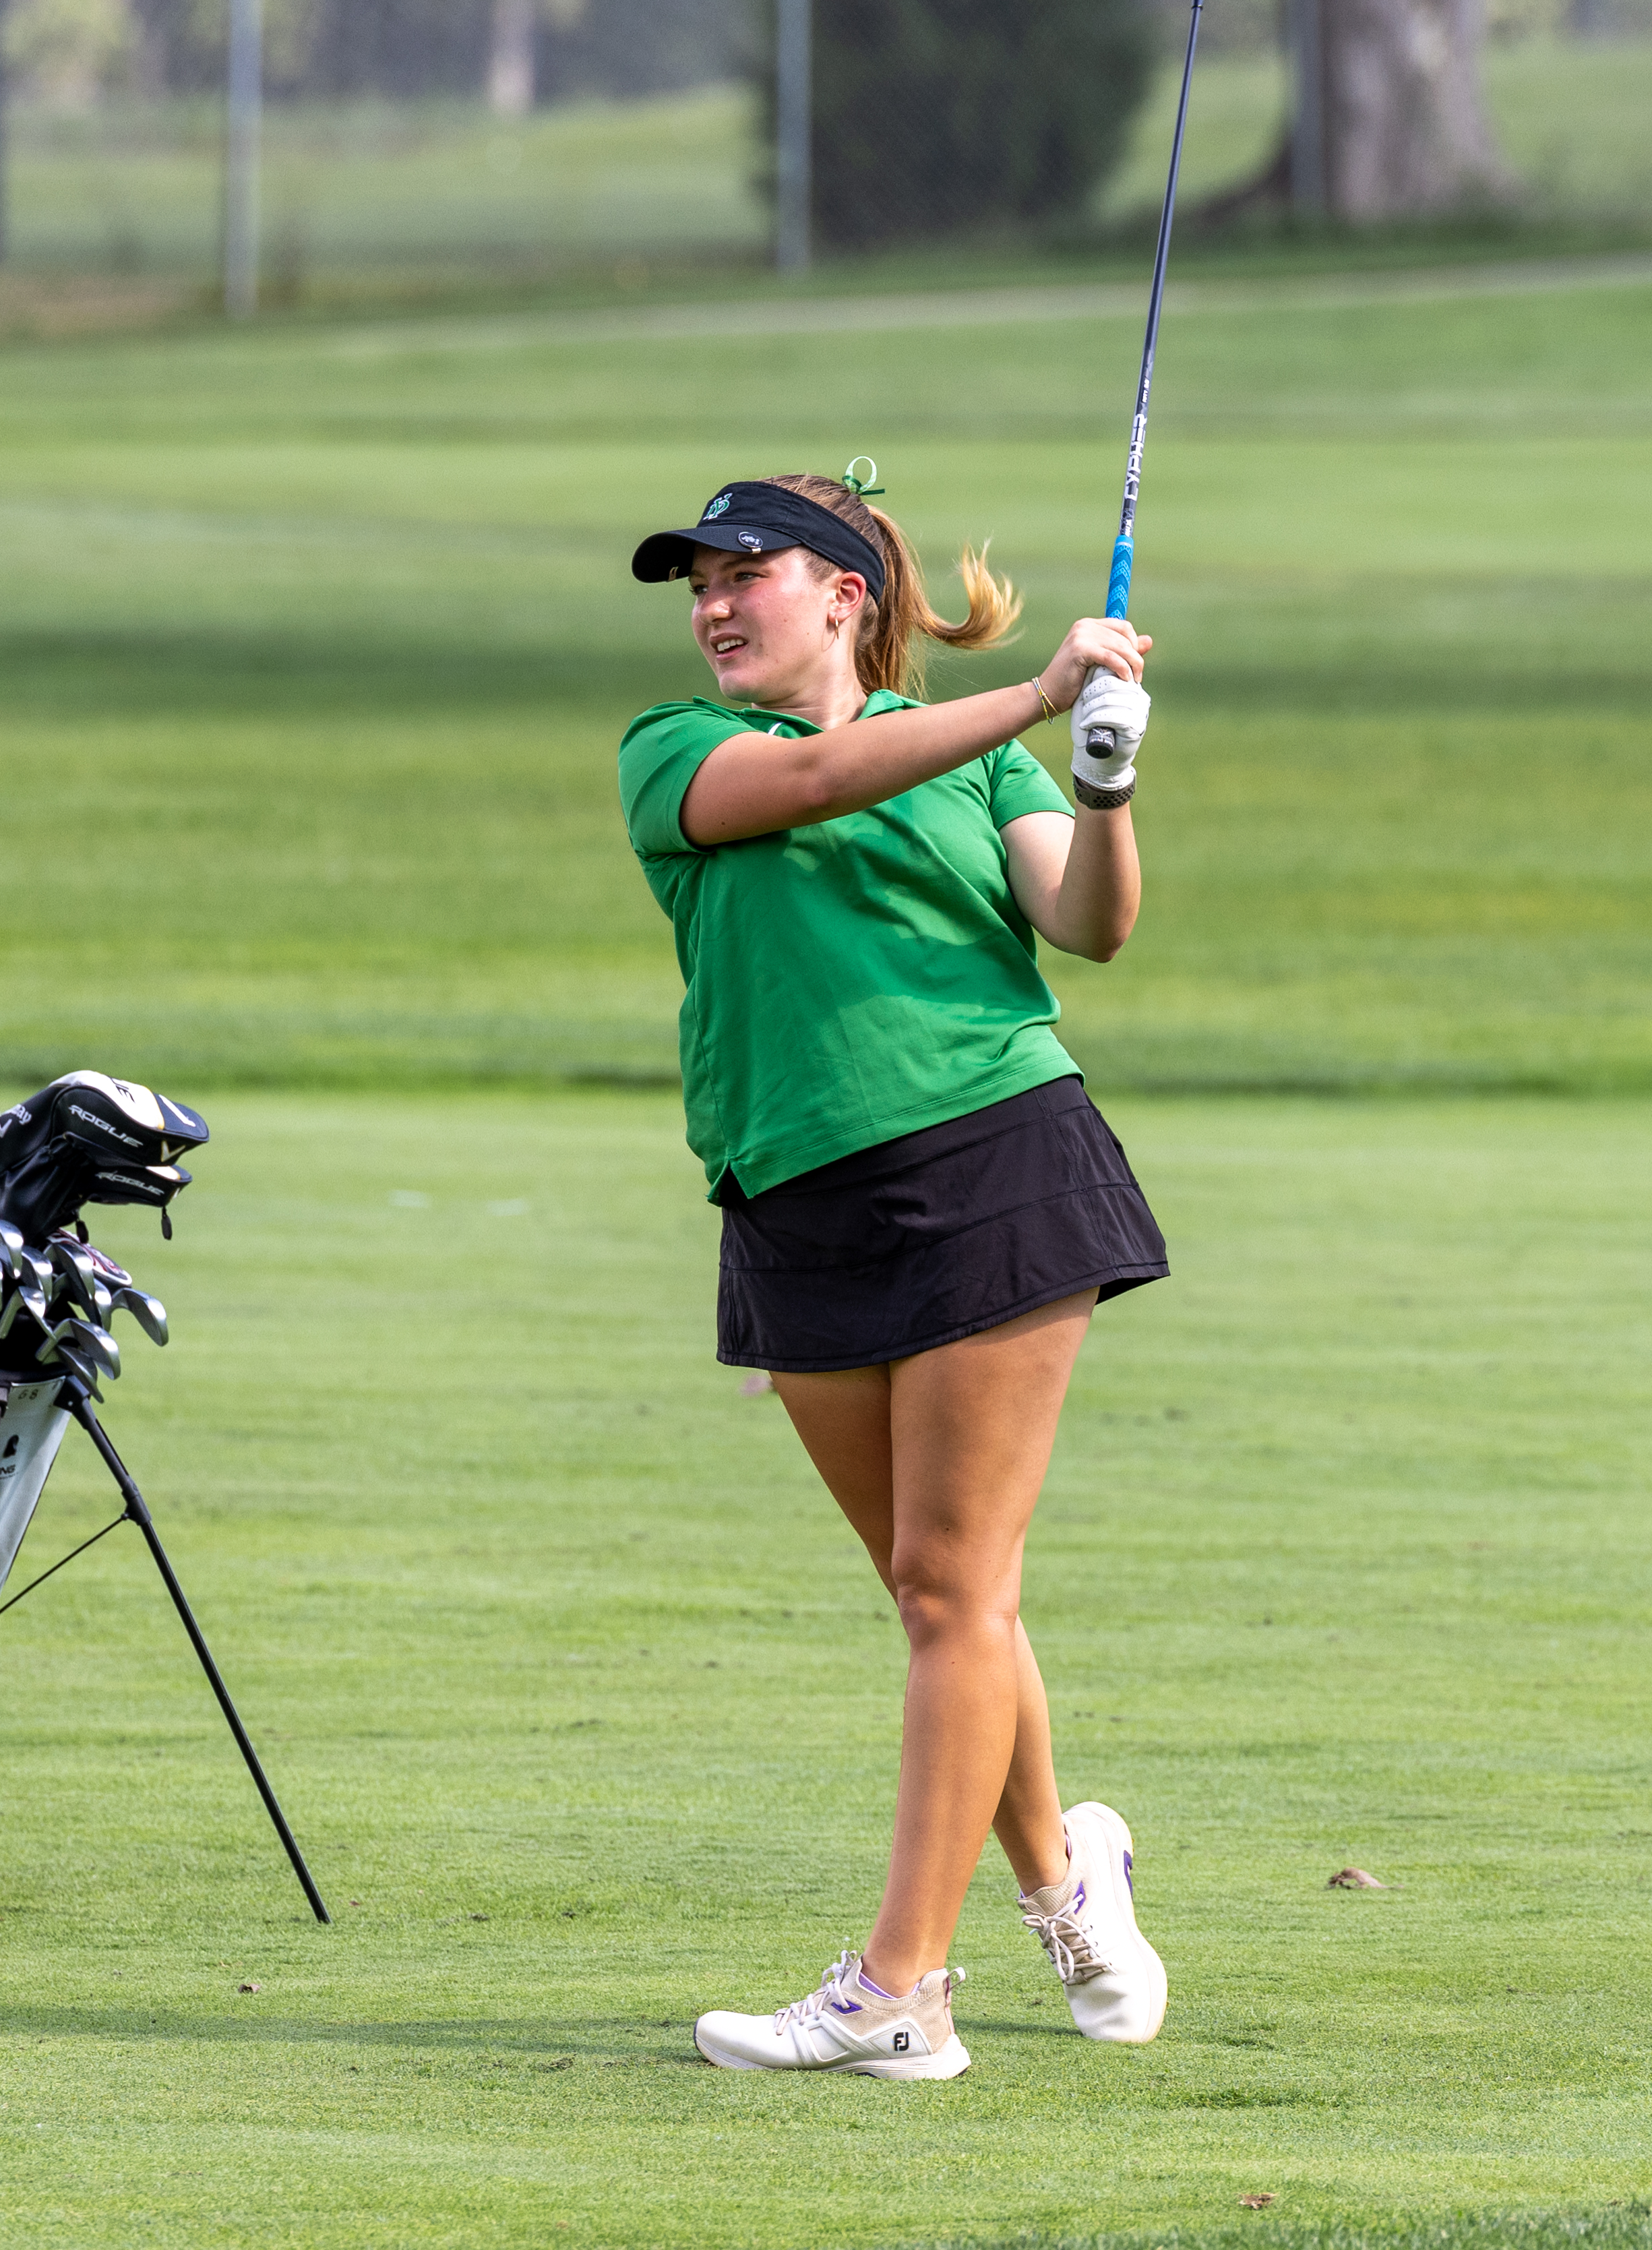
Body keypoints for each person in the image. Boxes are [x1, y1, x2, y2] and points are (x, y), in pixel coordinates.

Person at [615, 469, 1173, 2079]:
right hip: (793, 1197)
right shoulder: (677, 752)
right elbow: (813, 783)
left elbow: (1087, 925)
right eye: (697, 583)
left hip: (993, 1162)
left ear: (848, 592)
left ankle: (898, 1991)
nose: (714, 605)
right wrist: (1038, 691)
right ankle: (1069, 1878)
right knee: (947, 1598)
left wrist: (1105, 781)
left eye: (749, 574)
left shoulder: (979, 769)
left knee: (948, 1589)